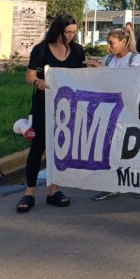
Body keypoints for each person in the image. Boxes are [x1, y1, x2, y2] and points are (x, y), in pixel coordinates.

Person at [17, 14, 87, 213]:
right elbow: (29, 76)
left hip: (67, 108)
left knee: (59, 148)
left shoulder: (77, 51)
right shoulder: (40, 50)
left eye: (75, 32)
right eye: (68, 32)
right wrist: (38, 82)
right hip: (43, 106)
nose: (72, 35)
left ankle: (54, 190)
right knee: (37, 148)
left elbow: (82, 76)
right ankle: (29, 193)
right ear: (58, 30)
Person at [92, 29, 140, 202]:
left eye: (111, 43)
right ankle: (112, 185)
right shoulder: (109, 59)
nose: (108, 47)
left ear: (124, 42)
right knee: (112, 147)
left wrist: (102, 69)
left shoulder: (136, 59)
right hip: (112, 110)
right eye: (108, 42)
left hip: (131, 110)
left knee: (133, 146)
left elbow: (128, 80)